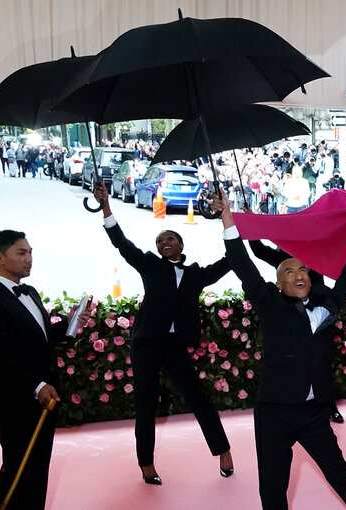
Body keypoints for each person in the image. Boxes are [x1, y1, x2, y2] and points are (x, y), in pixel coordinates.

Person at [216, 193, 346, 510]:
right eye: (289, 271)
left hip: (313, 414)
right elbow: (244, 266)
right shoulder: (268, 303)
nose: (299, 274)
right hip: (274, 413)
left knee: (340, 475)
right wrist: (229, 222)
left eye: (303, 270)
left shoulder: (322, 311)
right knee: (273, 489)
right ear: (278, 285)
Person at [91, 182, 234, 484]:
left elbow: (230, 261)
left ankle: (223, 451)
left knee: (198, 398)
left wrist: (228, 220)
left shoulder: (196, 275)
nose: (163, 243)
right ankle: (146, 464)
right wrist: (105, 206)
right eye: (159, 241)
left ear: (181, 244)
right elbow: (121, 242)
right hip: (144, 343)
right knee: (145, 403)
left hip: (174, 344)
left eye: (169, 239)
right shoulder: (150, 266)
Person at [0, 230, 92, 509]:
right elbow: (0, 358)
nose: (29, 259)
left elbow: (41, 339)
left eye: (30, 252)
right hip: (16, 400)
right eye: (21, 253)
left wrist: (71, 324)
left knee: (38, 470)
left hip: (45, 399)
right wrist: (37, 386)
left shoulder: (31, 292)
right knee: (17, 469)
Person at [242, 207, 346, 424]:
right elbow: (259, 251)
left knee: (322, 360)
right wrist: (252, 224)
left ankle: (329, 406)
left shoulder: (315, 249)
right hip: (291, 316)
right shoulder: (283, 257)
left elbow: (339, 252)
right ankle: (296, 402)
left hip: (320, 314)